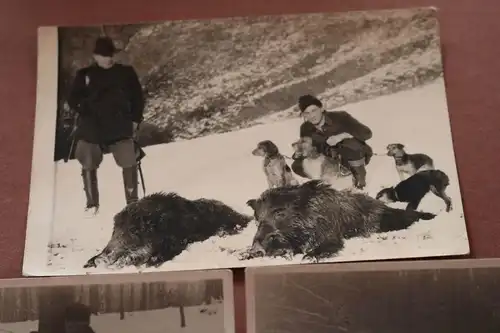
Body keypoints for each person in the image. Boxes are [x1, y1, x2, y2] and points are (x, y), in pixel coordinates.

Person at [67, 36, 145, 215]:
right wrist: (85, 106)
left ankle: (133, 204)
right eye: (103, 55)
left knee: (128, 158)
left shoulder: (126, 73)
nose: (107, 59)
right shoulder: (85, 75)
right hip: (93, 124)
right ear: (95, 56)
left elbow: (137, 98)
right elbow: (73, 99)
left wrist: (135, 120)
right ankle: (92, 204)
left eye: (110, 55)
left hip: (119, 123)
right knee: (87, 155)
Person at [291, 94, 373, 189]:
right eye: (307, 113)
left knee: (350, 145)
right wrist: (299, 153)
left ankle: (359, 182)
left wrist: (342, 136)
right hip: (329, 161)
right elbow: (308, 148)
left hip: (352, 155)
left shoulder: (341, 117)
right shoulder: (305, 128)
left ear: (321, 108)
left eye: (314, 110)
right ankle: (326, 181)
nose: (311, 115)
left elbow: (367, 133)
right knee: (297, 165)